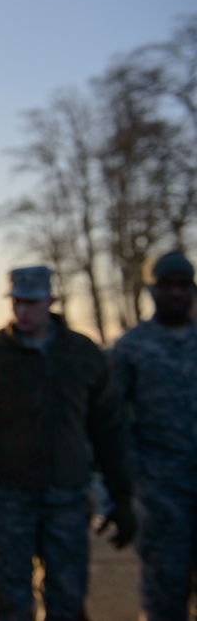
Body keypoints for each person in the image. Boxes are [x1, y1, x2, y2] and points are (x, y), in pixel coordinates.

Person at [0, 264, 136, 621]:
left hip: (67, 497)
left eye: (31, 303)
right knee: (11, 602)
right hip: (9, 499)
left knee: (68, 600)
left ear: (51, 300)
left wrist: (121, 494)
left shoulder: (82, 354)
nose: (22, 310)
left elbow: (108, 429)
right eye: (17, 301)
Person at [111, 250, 197, 621]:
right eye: (166, 285)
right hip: (162, 492)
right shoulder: (132, 348)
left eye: (183, 285)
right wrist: (128, 483)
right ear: (152, 290)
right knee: (166, 594)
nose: (175, 293)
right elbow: (115, 421)